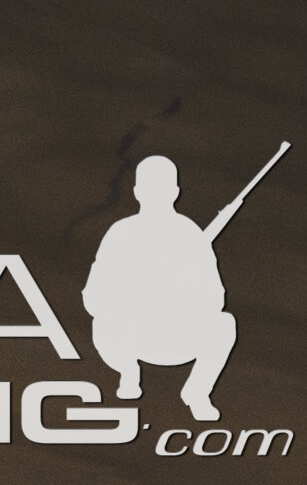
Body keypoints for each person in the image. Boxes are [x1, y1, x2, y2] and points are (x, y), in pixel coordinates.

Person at [86, 152, 247, 421]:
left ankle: (197, 392)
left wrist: (178, 295)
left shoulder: (190, 234)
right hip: (130, 336)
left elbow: (215, 299)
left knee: (224, 324)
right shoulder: (121, 234)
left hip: (178, 336)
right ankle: (128, 372)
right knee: (102, 323)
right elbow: (93, 297)